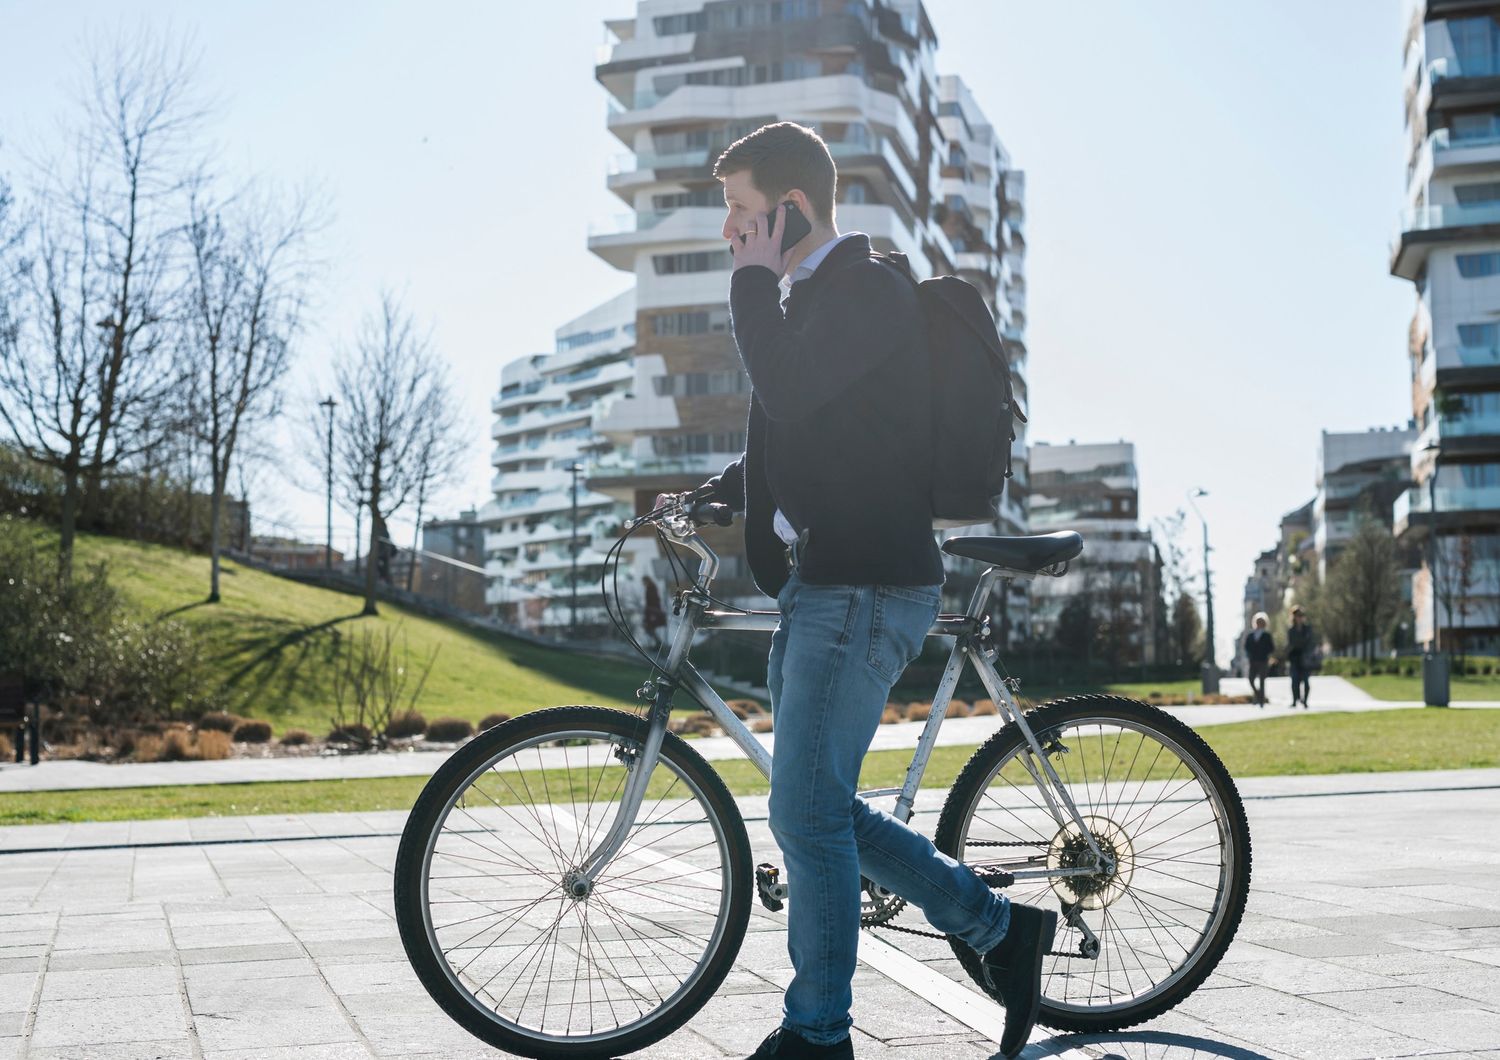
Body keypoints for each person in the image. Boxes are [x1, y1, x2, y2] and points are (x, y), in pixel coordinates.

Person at [669, 122, 1054, 1060]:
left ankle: (819, 1034)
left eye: (743, 212)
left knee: (802, 812)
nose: (730, 232)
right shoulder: (817, 299)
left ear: (791, 209)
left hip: (867, 586)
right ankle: (1000, 929)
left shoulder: (865, 291)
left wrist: (753, 289)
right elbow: (804, 431)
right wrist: (718, 494)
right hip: (830, 585)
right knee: (817, 806)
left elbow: (794, 391)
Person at [1286, 605, 1315, 708]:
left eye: (1301, 615)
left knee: (1306, 681)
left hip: (1305, 658)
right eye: (1297, 616)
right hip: (1295, 658)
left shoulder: (1307, 629)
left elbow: (1310, 642)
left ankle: (1305, 701)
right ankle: (1295, 700)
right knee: (1295, 681)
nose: (1299, 617)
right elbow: (1291, 643)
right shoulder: (1291, 630)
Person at [1243, 612, 1274, 707]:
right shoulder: (1251, 635)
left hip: (1263, 660)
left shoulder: (1266, 635)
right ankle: (1259, 695)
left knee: (1262, 681)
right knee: (1251, 679)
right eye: (1258, 621)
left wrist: (1264, 653)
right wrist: (1250, 655)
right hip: (1253, 661)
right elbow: (1246, 647)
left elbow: (1271, 647)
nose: (1259, 623)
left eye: (1261, 621)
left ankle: (1261, 702)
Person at [641, 575, 667, 649]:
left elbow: (654, 601)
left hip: (652, 612)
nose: (643, 583)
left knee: (649, 628)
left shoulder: (651, 589)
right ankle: (657, 644)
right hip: (651, 612)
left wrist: (653, 614)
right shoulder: (650, 588)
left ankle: (658, 645)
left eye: (644, 582)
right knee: (649, 628)